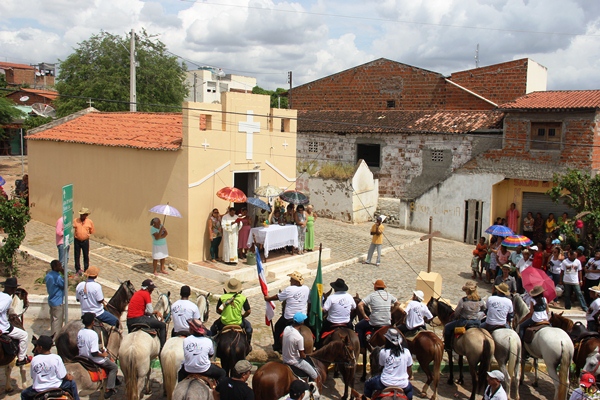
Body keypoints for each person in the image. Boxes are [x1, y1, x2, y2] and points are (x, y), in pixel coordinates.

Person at [21, 335, 79, 400]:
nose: (36, 348)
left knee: (24, 394)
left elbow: (32, 376)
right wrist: (68, 377)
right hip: (56, 386)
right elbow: (62, 376)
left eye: (37, 346)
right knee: (72, 383)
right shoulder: (56, 358)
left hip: (38, 389)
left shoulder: (34, 359)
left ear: (40, 347)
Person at [264, 271, 310, 352]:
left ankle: (277, 346)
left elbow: (278, 297)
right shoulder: (306, 289)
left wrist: (268, 298)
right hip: (303, 317)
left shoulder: (289, 289)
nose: (290, 281)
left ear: (296, 281)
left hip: (290, 317)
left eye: (291, 279)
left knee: (278, 326)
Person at [363, 328, 413, 400]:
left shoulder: (383, 352)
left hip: (385, 382)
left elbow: (381, 366)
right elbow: (409, 368)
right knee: (410, 391)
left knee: (367, 384)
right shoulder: (406, 352)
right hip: (403, 383)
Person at [78, 312, 119, 398]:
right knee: (114, 367)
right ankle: (109, 389)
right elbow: (94, 353)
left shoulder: (80, 332)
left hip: (81, 356)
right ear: (93, 322)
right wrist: (103, 354)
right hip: (92, 358)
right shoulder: (93, 334)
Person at [209, 278, 253, 350]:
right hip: (238, 322)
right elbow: (248, 311)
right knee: (249, 329)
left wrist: (224, 313)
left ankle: (212, 347)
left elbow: (218, 311)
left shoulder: (223, 297)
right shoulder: (243, 298)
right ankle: (248, 345)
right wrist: (242, 316)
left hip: (224, 322)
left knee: (212, 329)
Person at [356, 280, 400, 349]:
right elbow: (398, 303)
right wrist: (391, 313)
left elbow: (360, 305)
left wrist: (364, 315)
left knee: (358, 326)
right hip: (387, 322)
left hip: (375, 322)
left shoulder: (372, 295)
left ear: (375, 287)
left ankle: (362, 347)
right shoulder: (389, 295)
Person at [179, 318, 226, 383]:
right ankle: (218, 391)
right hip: (204, 369)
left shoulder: (186, 340)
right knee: (222, 373)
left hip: (188, 369)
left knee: (179, 373)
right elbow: (211, 354)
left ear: (192, 330)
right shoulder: (208, 341)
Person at [443, 280, 485, 351]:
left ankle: (447, 346)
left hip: (464, 322)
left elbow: (457, 312)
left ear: (467, 291)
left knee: (447, 327)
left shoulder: (463, 300)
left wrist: (455, 317)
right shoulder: (480, 300)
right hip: (477, 322)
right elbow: (484, 309)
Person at [126, 279, 167, 349]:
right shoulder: (146, 294)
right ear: (148, 288)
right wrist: (155, 312)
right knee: (162, 325)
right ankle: (162, 348)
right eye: (151, 289)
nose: (152, 291)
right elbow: (150, 311)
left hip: (129, 321)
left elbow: (141, 309)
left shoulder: (137, 293)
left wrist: (153, 312)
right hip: (138, 319)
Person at [0, 277, 31, 366]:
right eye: (14, 289)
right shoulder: (8, 298)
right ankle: (21, 358)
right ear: (12, 289)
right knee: (24, 335)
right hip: (3, 327)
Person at [282, 312, 318, 380]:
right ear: (302, 323)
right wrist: (306, 355)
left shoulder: (286, 328)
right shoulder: (299, 337)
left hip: (285, 358)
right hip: (295, 362)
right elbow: (302, 355)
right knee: (314, 374)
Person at [46, 260, 66, 337]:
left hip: (51, 299)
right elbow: (64, 284)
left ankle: (53, 335)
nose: (61, 267)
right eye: (59, 266)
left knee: (53, 319)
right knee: (57, 321)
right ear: (55, 267)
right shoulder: (57, 277)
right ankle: (55, 338)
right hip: (58, 301)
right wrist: (64, 273)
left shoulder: (49, 275)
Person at [73, 207, 95, 275]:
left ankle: (86, 269)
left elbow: (91, 231)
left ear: (86, 215)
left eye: (83, 215)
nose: (81, 216)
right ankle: (77, 269)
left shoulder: (89, 222)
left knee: (86, 255)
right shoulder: (75, 220)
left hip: (85, 241)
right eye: (81, 214)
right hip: (77, 240)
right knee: (77, 255)